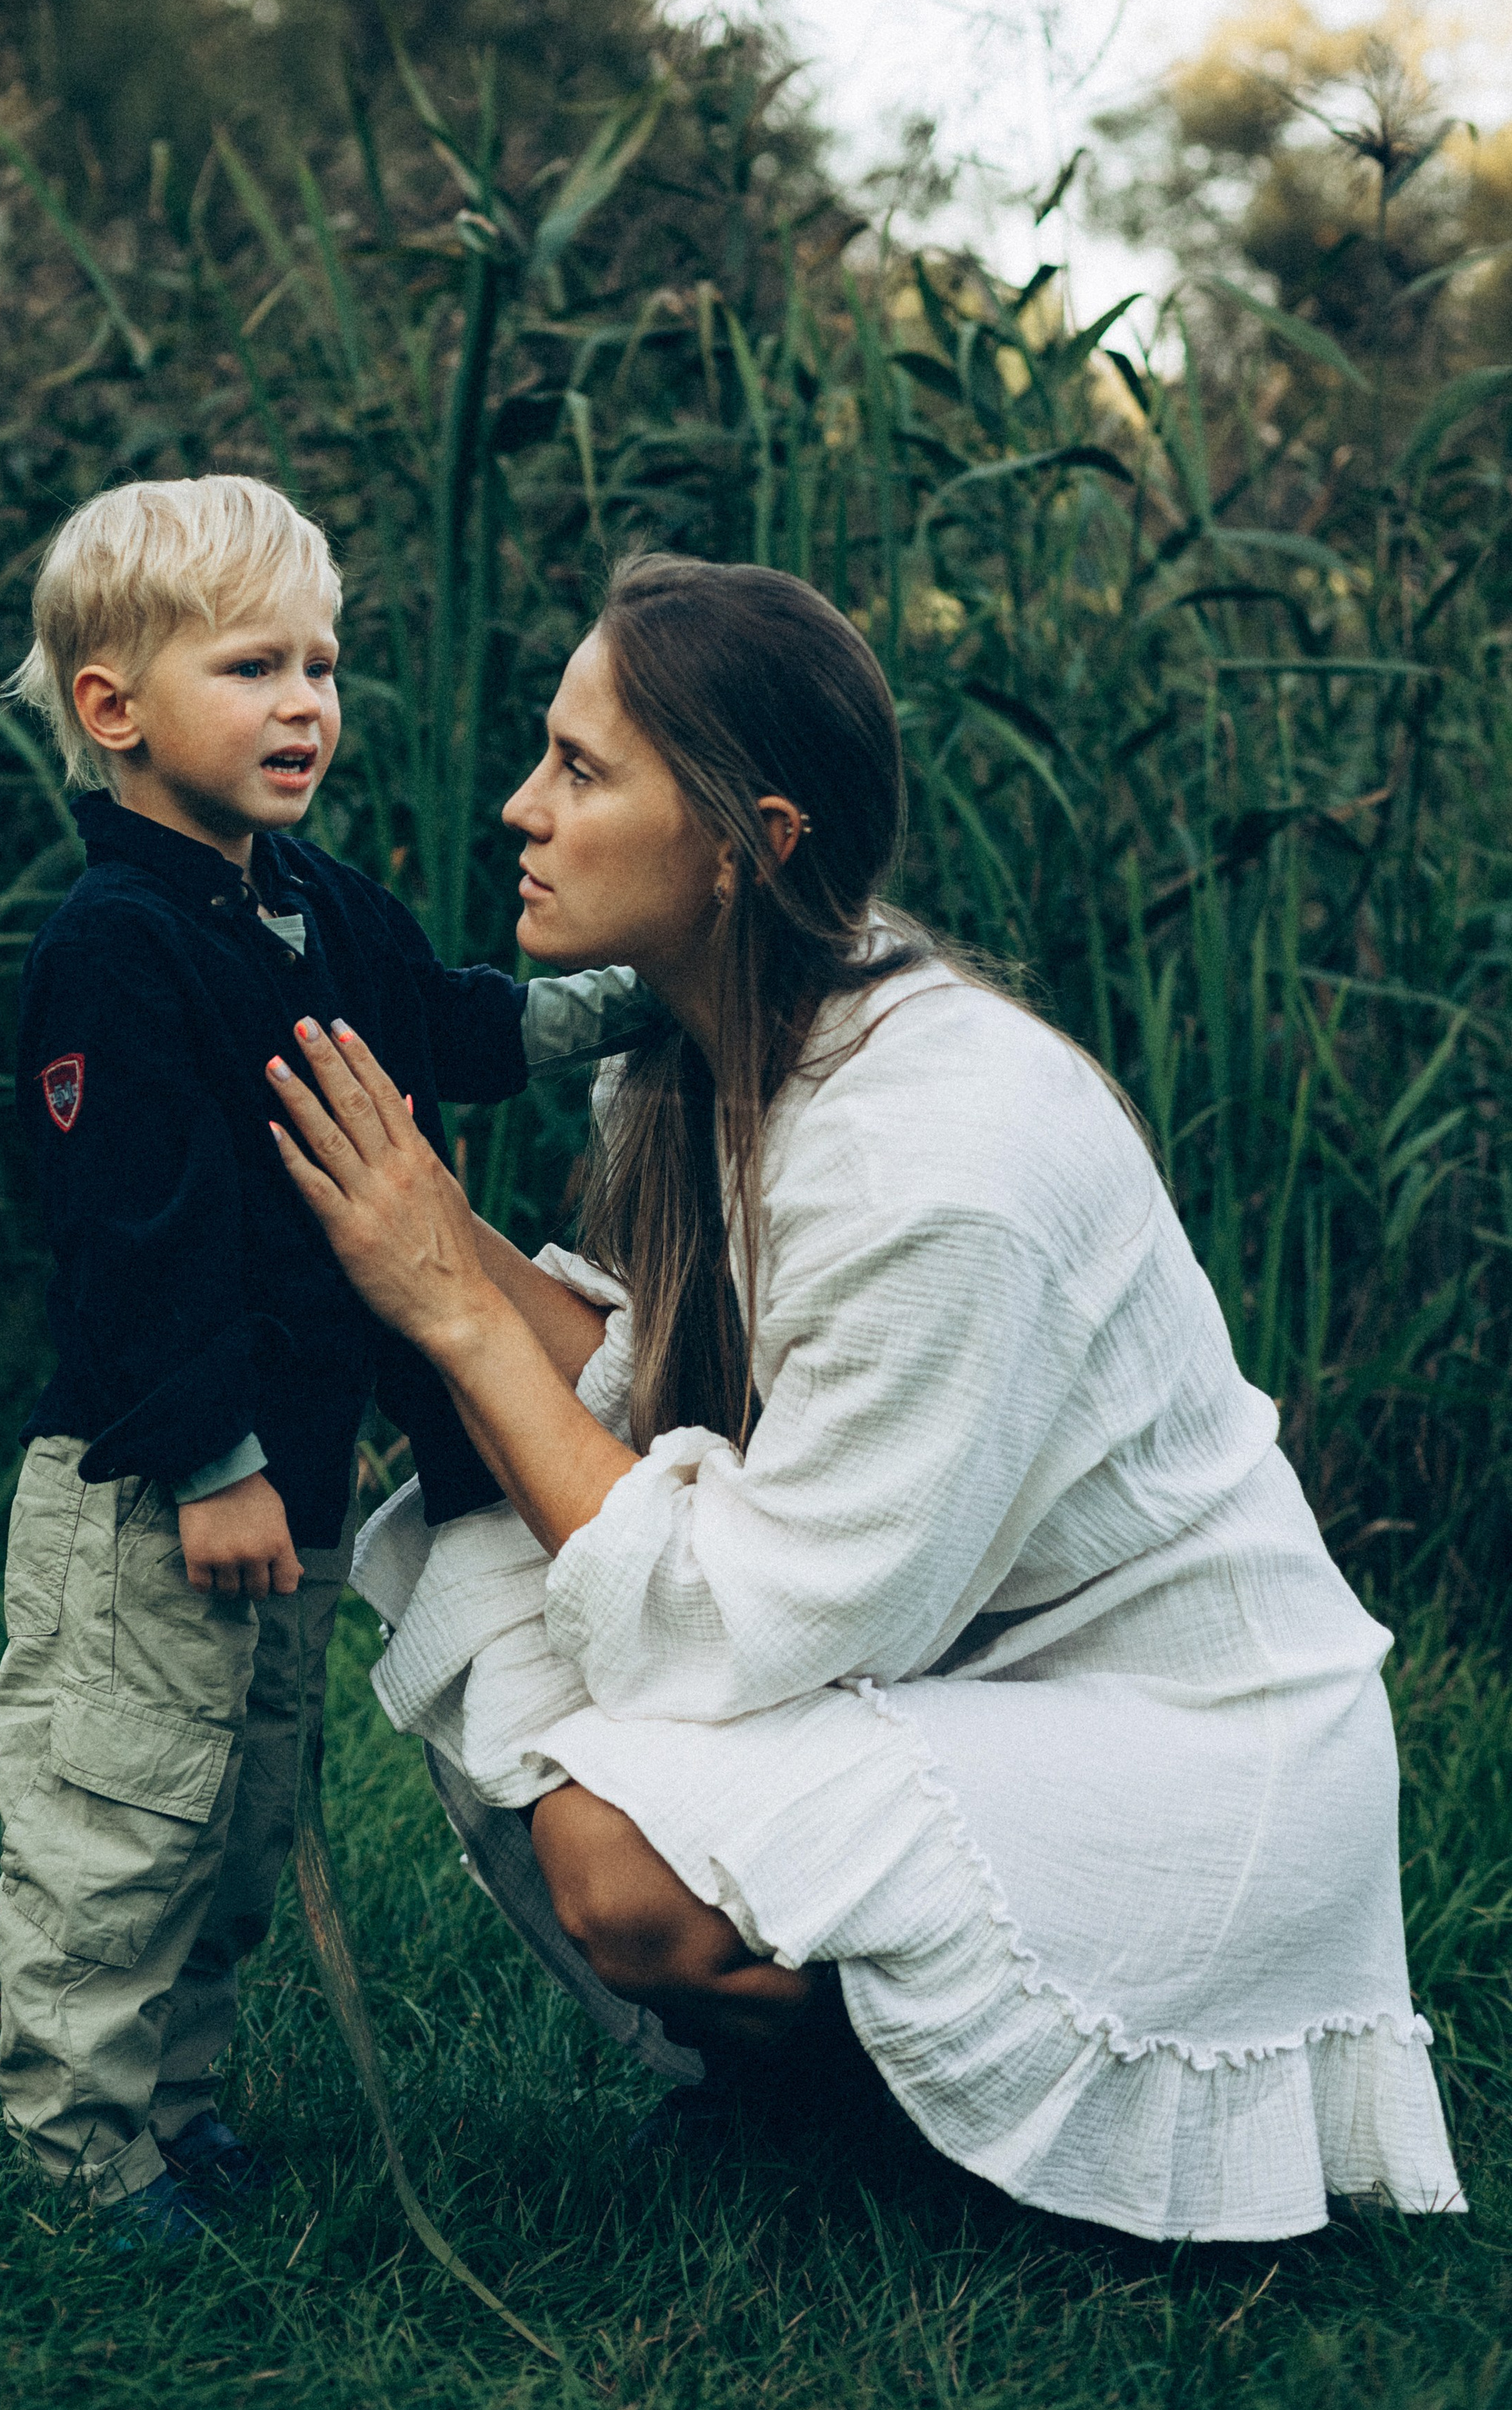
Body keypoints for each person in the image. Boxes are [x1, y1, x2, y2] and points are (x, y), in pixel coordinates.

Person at [264, 550, 1467, 2245]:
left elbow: (734, 1621)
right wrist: (412, 1215)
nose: (519, 808)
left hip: (1190, 1747)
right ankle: (829, 2098)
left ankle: (907, 2123)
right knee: (496, 1552)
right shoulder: (699, 1040)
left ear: (747, 844)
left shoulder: (936, 1163)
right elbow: (638, 1384)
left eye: (582, 771)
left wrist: (455, 1314)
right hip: (960, 1657)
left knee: (625, 1864)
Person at [0, 474, 652, 2242]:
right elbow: (130, 1239)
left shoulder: (310, 903)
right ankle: (81, 2148)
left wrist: (631, 991)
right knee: (122, 1813)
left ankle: (177, 2105)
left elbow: (449, 1019)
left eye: (321, 667)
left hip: (286, 1485)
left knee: (236, 1815)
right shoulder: (115, 950)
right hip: (159, 1488)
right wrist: (207, 1462)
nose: (304, 706)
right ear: (114, 709)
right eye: (251, 669)